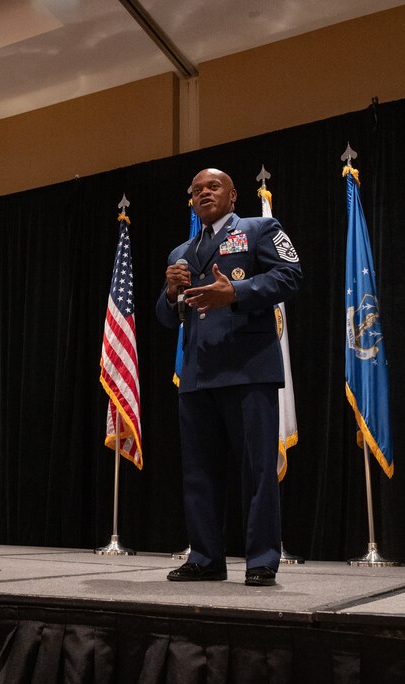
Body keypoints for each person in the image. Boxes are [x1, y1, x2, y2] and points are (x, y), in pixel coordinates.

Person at [156, 168, 302, 586]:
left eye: (213, 187)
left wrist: (235, 293)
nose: (204, 193)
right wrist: (170, 293)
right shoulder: (180, 253)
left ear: (233, 194)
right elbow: (166, 318)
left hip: (248, 368)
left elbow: (291, 276)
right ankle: (205, 558)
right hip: (198, 376)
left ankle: (260, 560)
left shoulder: (259, 228)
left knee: (257, 470)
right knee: (199, 473)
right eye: (196, 189)